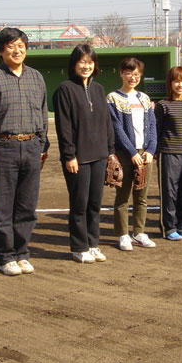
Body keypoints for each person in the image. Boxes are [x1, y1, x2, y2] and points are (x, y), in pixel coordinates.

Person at [0, 28, 49, 276]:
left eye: (20, 46)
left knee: (27, 206)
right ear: (1, 51)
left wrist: (41, 145)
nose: (17, 51)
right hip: (3, 148)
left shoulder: (36, 77)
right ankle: (6, 256)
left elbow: (43, 114)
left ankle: (22, 253)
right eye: (11, 46)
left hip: (31, 147)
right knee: (4, 207)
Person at [53, 44, 115, 263]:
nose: (86, 66)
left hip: (99, 155)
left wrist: (110, 151)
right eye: (82, 62)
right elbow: (64, 126)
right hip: (78, 158)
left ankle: (93, 244)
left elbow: (107, 122)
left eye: (90, 62)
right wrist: (69, 155)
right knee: (79, 204)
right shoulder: (65, 89)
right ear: (74, 64)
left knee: (95, 204)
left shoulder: (98, 89)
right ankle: (79, 247)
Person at [107, 57, 157, 250]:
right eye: (128, 73)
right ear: (121, 74)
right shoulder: (113, 98)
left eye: (136, 74)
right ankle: (123, 235)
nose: (132, 77)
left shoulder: (144, 98)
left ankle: (139, 232)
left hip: (144, 153)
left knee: (141, 196)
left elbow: (152, 126)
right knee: (123, 197)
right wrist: (131, 152)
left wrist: (150, 150)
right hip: (124, 153)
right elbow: (117, 128)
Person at [154, 66, 182, 240]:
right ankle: (169, 227)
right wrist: (155, 152)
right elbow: (157, 130)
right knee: (169, 192)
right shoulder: (162, 105)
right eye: (177, 81)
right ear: (170, 83)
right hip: (168, 153)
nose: (181, 85)